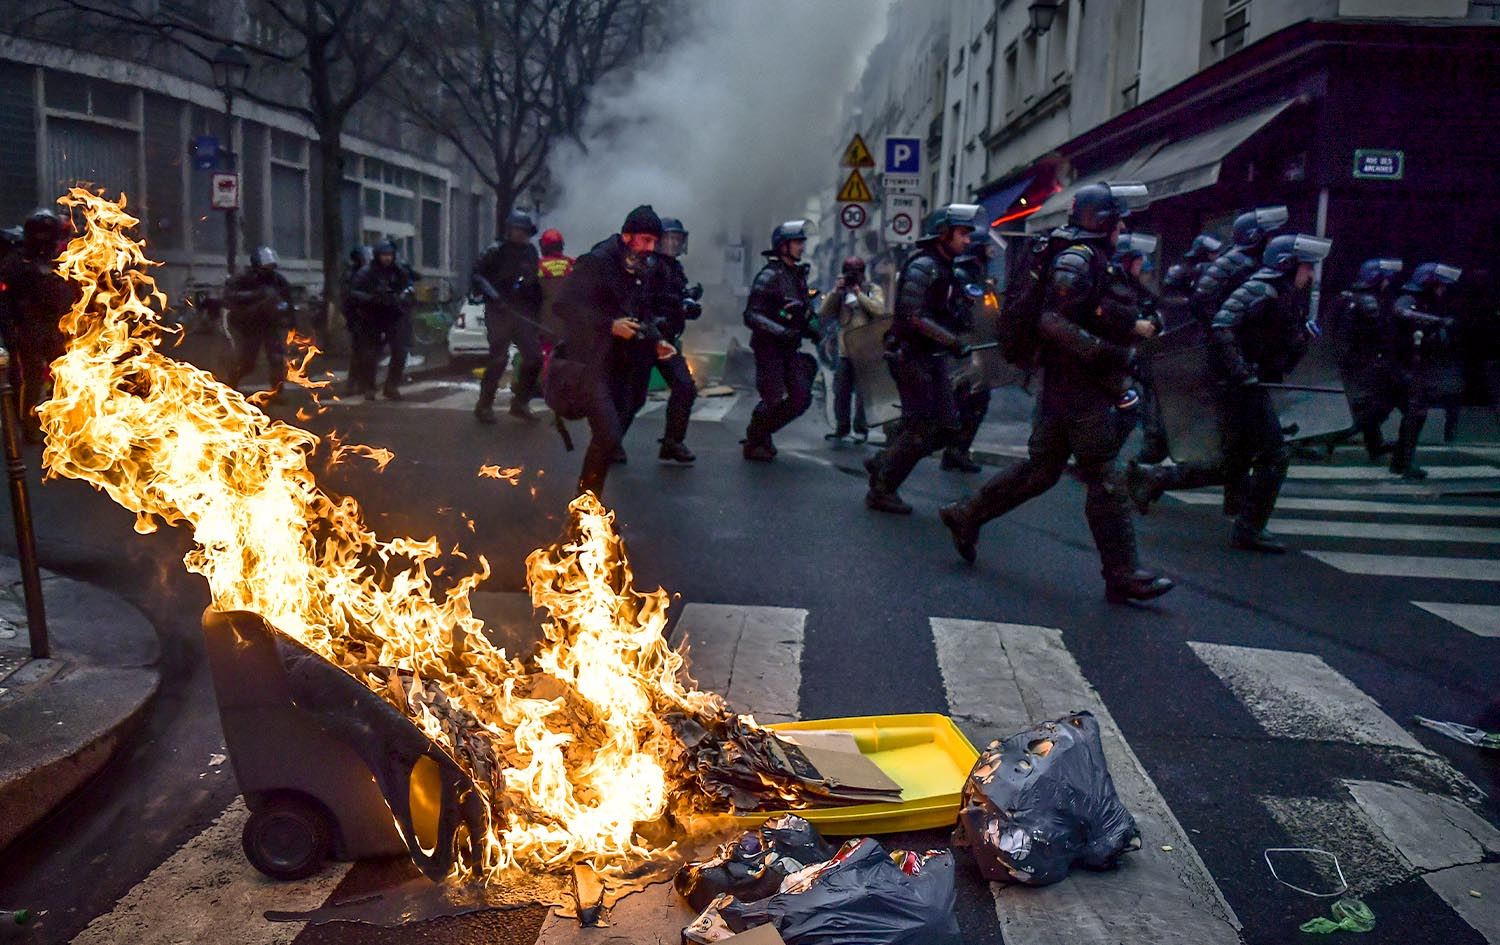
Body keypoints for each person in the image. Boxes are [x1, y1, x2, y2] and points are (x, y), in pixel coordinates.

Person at [937, 182, 1175, 603]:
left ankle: (966, 513)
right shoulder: (1077, 258)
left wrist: (1128, 329)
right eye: (1118, 218)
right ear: (1103, 221)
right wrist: (1106, 353)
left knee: (1042, 470)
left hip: (1068, 383)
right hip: (1078, 384)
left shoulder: (1087, 255)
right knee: (1104, 475)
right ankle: (1121, 573)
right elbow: (1052, 321)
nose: (1123, 226)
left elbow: (1091, 313)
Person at [1129, 233, 1332, 552]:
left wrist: (1302, 338)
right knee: (1275, 455)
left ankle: (1157, 477)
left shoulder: (1284, 294)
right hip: (1240, 387)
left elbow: (1280, 347)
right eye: (1307, 267)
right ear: (1288, 265)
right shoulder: (1260, 289)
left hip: (1251, 382)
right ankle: (1249, 528)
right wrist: (1240, 372)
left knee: (1233, 464)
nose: (1311, 274)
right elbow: (1223, 326)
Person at [864, 204, 981, 513]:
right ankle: (883, 489)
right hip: (911, 356)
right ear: (943, 233)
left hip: (932, 357)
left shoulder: (947, 269)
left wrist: (965, 310)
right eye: (962, 234)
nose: (968, 241)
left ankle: (884, 462)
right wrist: (952, 340)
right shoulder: (923, 266)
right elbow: (912, 316)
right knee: (921, 427)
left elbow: (948, 314)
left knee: (945, 427)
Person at [551, 205, 671, 496]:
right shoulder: (597, 263)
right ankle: (584, 510)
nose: (651, 248)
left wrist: (656, 339)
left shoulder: (640, 268)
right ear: (627, 235)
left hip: (620, 364)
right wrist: (609, 325)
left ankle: (587, 504)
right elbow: (564, 305)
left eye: (655, 242)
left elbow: (641, 312)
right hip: (589, 362)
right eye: (645, 240)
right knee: (608, 435)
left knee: (609, 437)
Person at [742, 220, 817, 462]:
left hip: (790, 348)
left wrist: (812, 328)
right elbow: (751, 315)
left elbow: (801, 311)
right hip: (769, 348)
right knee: (773, 397)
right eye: (797, 242)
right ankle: (756, 438)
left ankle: (762, 433)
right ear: (783, 246)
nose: (801, 247)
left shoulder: (797, 276)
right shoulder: (769, 276)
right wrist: (780, 331)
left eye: (802, 243)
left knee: (801, 397)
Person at [0, 209, 77, 439]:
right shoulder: (16, 261)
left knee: (62, 376)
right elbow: (4, 298)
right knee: (29, 380)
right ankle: (29, 423)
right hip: (27, 327)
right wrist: (10, 331)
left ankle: (60, 423)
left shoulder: (61, 259)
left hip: (56, 326)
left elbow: (74, 291)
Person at [1389, 262, 1464, 479]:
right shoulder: (1409, 299)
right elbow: (1401, 312)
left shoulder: (1426, 302)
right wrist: (1438, 322)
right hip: (1399, 367)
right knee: (1411, 414)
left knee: (1414, 415)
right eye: (1440, 284)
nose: (1443, 289)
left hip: (1411, 367)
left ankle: (1401, 462)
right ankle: (1403, 464)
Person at [473, 210, 544, 423]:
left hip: (521, 311)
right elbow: (477, 275)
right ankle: (484, 404)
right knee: (499, 358)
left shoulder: (531, 251)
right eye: (518, 230)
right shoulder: (495, 250)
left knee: (534, 358)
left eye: (525, 231)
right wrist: (495, 297)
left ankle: (520, 402)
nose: (521, 235)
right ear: (509, 230)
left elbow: (533, 280)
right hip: (499, 310)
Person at [641, 217, 702, 464]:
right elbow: (640, 302)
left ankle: (672, 442)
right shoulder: (649, 266)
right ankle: (609, 442)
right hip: (644, 340)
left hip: (666, 341)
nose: (675, 243)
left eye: (678, 238)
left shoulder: (675, 268)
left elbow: (673, 299)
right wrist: (656, 321)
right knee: (631, 396)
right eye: (671, 238)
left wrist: (688, 303)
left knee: (685, 386)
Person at [1330, 258, 1403, 462]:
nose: (1388, 282)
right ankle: (1333, 437)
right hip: (1365, 362)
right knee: (1374, 408)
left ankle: (1374, 445)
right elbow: (1381, 335)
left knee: (1366, 406)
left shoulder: (1351, 298)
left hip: (1354, 362)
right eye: (1386, 278)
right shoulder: (1369, 302)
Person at [1105, 233, 1169, 462]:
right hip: (1111, 362)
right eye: (1138, 262)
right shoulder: (1109, 286)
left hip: (1135, 362)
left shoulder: (1135, 290)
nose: (1143, 268)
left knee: (1137, 409)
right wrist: (1132, 326)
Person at [818, 256, 883, 443]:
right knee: (841, 391)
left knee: (863, 394)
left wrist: (859, 294)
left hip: (865, 350)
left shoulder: (872, 290)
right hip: (845, 350)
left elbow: (879, 310)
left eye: (857, 272)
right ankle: (842, 427)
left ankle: (861, 429)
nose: (854, 277)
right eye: (850, 273)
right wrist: (836, 292)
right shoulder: (841, 291)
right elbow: (824, 312)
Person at [1190, 206, 1289, 324]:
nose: (1274, 242)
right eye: (1270, 237)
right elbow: (1201, 301)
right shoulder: (1232, 262)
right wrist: (1224, 329)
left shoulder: (1264, 263)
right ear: (1256, 237)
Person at [347, 240, 418, 400]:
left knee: (400, 350)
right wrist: (372, 298)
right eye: (384, 255)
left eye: (389, 255)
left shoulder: (399, 271)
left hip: (394, 314)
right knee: (370, 353)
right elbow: (353, 292)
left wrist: (404, 297)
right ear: (377, 255)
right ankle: (369, 386)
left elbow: (409, 286)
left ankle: (391, 385)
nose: (387, 258)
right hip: (373, 315)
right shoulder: (366, 272)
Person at [222, 246, 295, 398]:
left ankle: (277, 391)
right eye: (266, 266)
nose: (269, 269)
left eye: (271, 266)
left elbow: (288, 301)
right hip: (251, 324)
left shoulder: (278, 280)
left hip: (270, 324)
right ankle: (231, 383)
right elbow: (230, 296)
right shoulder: (244, 278)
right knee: (247, 363)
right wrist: (257, 295)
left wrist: (288, 316)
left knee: (276, 359)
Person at [340, 245, 371, 394]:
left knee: (363, 352)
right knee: (361, 352)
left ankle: (358, 384)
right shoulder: (352, 275)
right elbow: (349, 297)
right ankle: (356, 384)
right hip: (358, 317)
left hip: (365, 317)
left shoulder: (366, 273)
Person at [537, 228, 574, 346]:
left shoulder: (536, 266)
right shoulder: (573, 264)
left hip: (544, 328)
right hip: (570, 328)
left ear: (543, 246)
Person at [1161, 233, 1223, 301]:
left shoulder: (1218, 269)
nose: (1217, 256)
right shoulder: (1180, 270)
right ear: (1202, 252)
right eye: (1213, 253)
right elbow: (1169, 295)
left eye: (1217, 252)